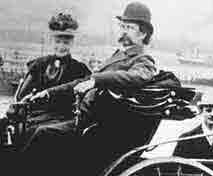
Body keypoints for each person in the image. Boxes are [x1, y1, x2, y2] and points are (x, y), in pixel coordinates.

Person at [27, 2, 157, 160]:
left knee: (43, 133)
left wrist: (97, 80)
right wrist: (48, 93)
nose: (123, 31)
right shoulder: (120, 56)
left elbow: (138, 76)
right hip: (86, 117)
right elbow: (82, 82)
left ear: (143, 34)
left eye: (129, 28)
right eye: (122, 26)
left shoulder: (143, 60)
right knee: (31, 127)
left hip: (98, 126)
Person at [16, 12, 91, 124]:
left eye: (66, 43)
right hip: (35, 114)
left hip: (62, 118)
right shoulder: (39, 64)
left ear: (72, 43)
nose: (61, 47)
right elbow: (21, 96)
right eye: (57, 42)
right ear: (51, 41)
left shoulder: (80, 69)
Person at [173, 92, 213, 158]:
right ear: (202, 112)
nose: (212, 114)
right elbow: (177, 165)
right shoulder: (186, 138)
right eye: (208, 110)